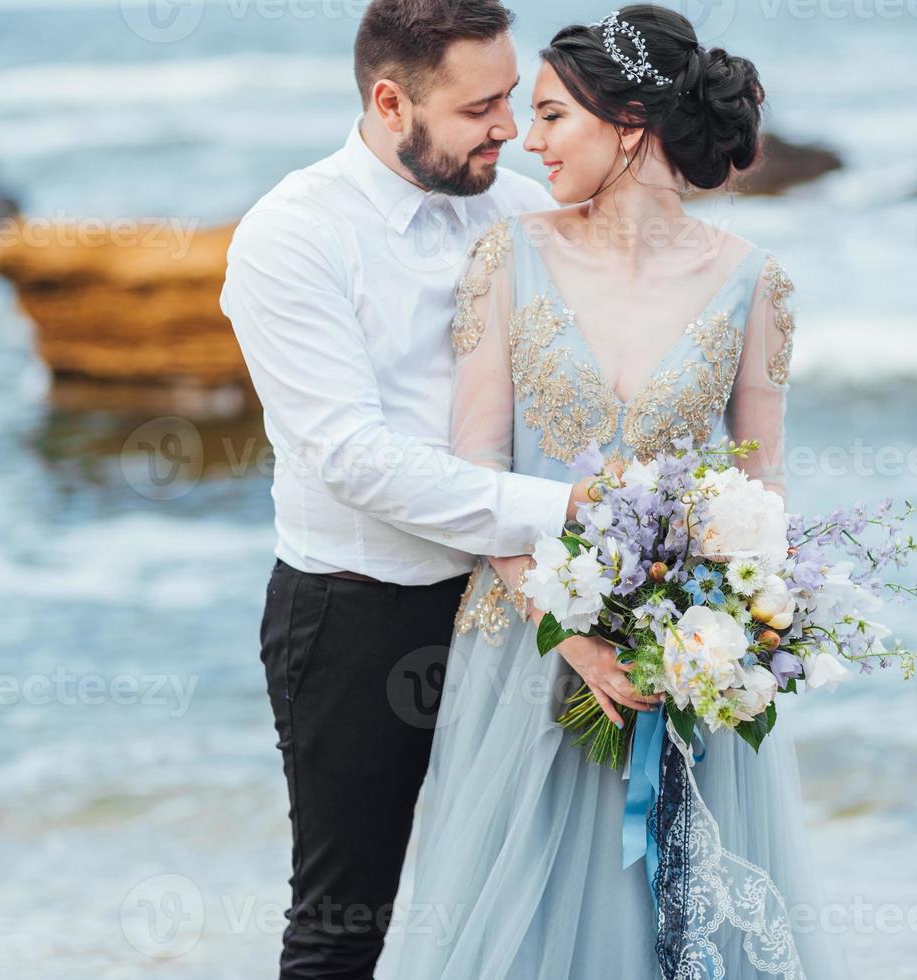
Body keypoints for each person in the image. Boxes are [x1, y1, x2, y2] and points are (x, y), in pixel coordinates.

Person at [390, 6, 855, 977]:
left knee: (680, 932)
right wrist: (580, 638)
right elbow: (473, 478)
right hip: (525, 658)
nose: (528, 137)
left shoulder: (753, 281)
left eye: (553, 114)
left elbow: (760, 485)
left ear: (630, 122)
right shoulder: (506, 256)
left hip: (684, 670)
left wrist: (734, 635)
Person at [216, 1, 606, 976]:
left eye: (511, 98)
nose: (509, 128)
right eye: (479, 107)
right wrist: (559, 510)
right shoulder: (291, 234)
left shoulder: (524, 210)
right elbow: (351, 454)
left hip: (524, 602)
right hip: (360, 613)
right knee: (343, 925)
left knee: (532, 887)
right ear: (392, 103)